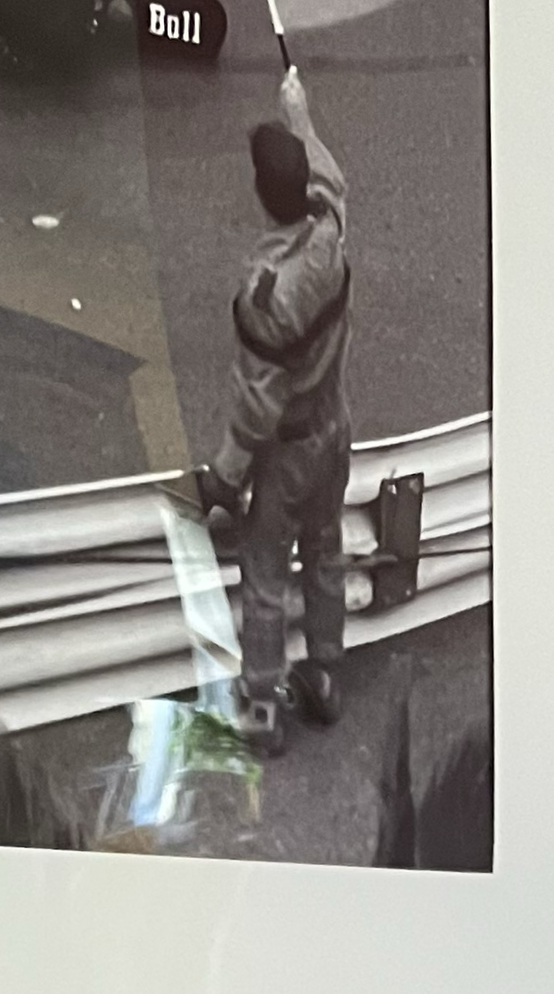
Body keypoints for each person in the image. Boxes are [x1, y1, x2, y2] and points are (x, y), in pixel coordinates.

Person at [196, 68, 349, 757]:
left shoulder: (266, 292)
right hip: (334, 429)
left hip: (285, 450)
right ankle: (324, 673)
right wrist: (301, 115)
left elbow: (257, 411)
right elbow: (330, 179)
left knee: (266, 574)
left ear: (262, 194)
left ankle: (261, 706)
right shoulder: (330, 235)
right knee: (324, 552)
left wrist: (224, 479)